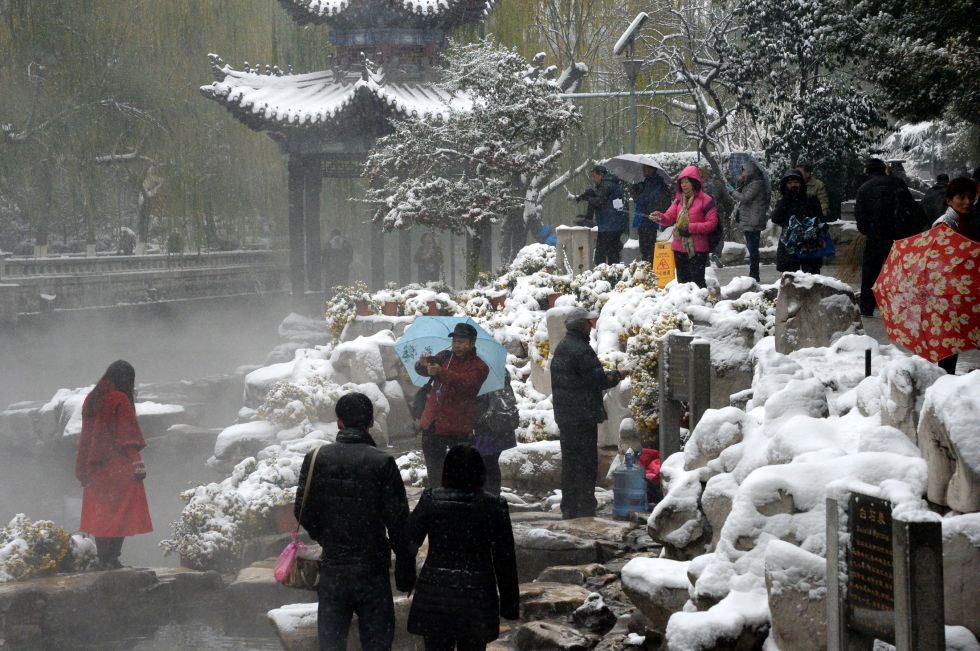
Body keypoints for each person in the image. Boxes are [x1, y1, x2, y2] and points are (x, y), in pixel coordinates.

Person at [294, 392, 416, 651]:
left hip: (333, 570)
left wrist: (327, 536)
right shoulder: (382, 462)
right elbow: (398, 524)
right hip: (372, 570)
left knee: (332, 643)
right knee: (377, 643)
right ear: (371, 422)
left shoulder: (316, 458)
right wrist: (405, 573)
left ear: (338, 422)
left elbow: (302, 510)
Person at [406, 444, 520, 651]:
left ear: (446, 470)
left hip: (436, 596)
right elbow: (505, 559)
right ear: (480, 472)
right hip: (477, 597)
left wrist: (406, 579)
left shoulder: (430, 500)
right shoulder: (493, 506)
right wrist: (509, 604)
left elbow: (409, 542)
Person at [75, 360, 152, 569]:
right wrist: (137, 463)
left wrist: (82, 467)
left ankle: (104, 558)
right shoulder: (119, 399)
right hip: (117, 466)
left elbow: (86, 437)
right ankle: (113, 558)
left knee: (102, 514)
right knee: (122, 513)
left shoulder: (92, 399)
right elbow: (126, 436)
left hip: (95, 468)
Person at [550, 308, 623, 519]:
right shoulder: (580, 349)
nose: (591, 327)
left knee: (571, 463)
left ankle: (570, 506)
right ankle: (584, 507)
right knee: (585, 464)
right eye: (588, 323)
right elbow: (597, 379)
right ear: (581, 325)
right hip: (581, 417)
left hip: (567, 417)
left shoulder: (563, 347)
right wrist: (617, 375)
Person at [415, 323, 490, 488]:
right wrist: (422, 364)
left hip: (458, 427)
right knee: (435, 473)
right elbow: (425, 371)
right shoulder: (444, 356)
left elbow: (468, 384)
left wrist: (442, 372)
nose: (457, 345)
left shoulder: (479, 366)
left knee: (459, 474)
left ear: (472, 343)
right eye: (455, 340)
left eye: (462, 341)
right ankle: (436, 501)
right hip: (433, 423)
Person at [854, 158, 928, 317]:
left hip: (875, 236)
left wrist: (870, 230)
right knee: (899, 271)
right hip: (898, 236)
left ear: (867, 171)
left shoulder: (864, 189)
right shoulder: (897, 183)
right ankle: (900, 306)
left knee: (870, 272)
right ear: (883, 169)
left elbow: (860, 218)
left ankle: (867, 307)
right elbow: (912, 208)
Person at [931, 176, 979, 375]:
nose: (967, 202)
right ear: (949, 200)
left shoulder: (969, 220)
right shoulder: (944, 225)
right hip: (948, 293)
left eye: (971, 197)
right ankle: (944, 385)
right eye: (962, 197)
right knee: (949, 343)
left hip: (967, 289)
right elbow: (940, 261)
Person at [649, 165, 719, 288]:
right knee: (682, 284)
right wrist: (660, 217)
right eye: (681, 183)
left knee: (697, 284)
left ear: (694, 182)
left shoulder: (706, 200)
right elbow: (668, 218)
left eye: (687, 182)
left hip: (697, 249)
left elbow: (712, 224)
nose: (684, 185)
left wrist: (690, 228)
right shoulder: (678, 201)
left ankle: (698, 307)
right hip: (679, 248)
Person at [771, 169, 827, 274]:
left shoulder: (811, 199)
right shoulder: (783, 201)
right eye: (790, 183)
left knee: (811, 275)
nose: (793, 185)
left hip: (809, 242)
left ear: (801, 183)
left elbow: (820, 218)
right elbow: (776, 218)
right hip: (789, 242)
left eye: (796, 182)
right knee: (790, 275)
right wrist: (786, 199)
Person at [473, 381, 519, 496]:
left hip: (489, 425)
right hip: (498, 424)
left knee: (487, 463)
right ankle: (492, 496)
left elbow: (478, 401)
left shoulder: (483, 372)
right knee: (490, 463)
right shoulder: (497, 373)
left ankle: (490, 497)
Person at [575, 165, 627, 265]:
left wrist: (588, 198)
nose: (593, 179)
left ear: (601, 175)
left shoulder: (607, 185)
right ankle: (612, 275)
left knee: (601, 257)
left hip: (609, 226)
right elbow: (604, 199)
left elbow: (600, 201)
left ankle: (605, 277)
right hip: (613, 225)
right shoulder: (611, 184)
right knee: (612, 255)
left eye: (594, 176)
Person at [731, 160, 771, 281]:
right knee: (752, 247)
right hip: (751, 219)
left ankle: (754, 274)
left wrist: (732, 191)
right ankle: (753, 273)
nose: (742, 172)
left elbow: (745, 198)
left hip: (753, 221)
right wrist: (741, 182)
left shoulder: (756, 184)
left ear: (750, 170)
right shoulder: (751, 183)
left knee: (753, 248)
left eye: (744, 170)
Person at [630, 165, 671, 263]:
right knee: (647, 249)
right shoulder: (650, 183)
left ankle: (649, 271)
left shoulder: (654, 184)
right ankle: (648, 270)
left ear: (652, 169)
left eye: (646, 168)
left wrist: (635, 193)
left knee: (648, 250)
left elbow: (641, 200)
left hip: (649, 220)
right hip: (647, 220)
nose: (643, 170)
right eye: (643, 168)